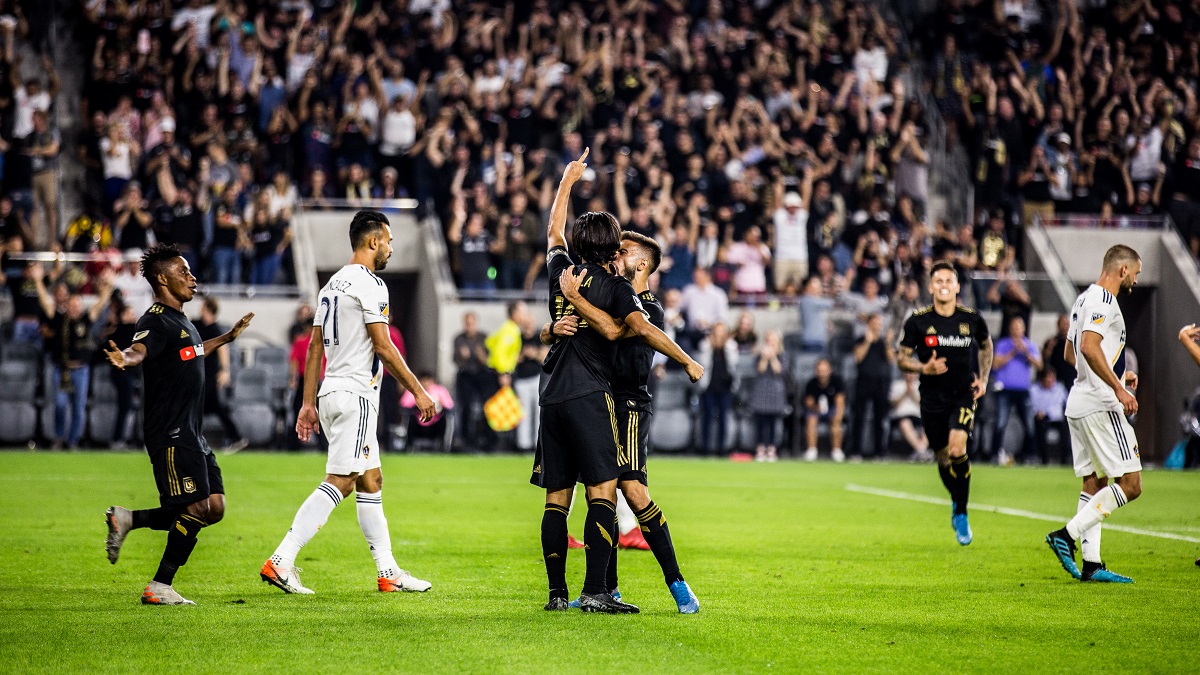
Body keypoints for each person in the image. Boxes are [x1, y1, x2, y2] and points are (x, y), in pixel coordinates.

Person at [531, 149, 701, 614]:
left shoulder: (561, 271)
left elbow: (552, 231)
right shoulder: (615, 289)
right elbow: (618, 330)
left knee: (559, 499)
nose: (624, 253)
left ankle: (558, 595)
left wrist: (567, 181)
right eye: (620, 246)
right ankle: (599, 591)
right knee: (605, 491)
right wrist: (689, 361)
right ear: (611, 251)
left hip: (554, 394)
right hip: (596, 396)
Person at [262, 210, 437, 595]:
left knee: (370, 480)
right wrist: (418, 391)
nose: (390, 247)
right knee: (340, 481)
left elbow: (313, 349)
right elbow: (384, 347)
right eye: (388, 241)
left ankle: (388, 571)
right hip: (356, 395)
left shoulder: (331, 285)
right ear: (373, 241)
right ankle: (281, 560)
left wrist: (308, 404)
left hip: (330, 392)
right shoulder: (371, 284)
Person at [102, 244, 254, 605]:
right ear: (162, 278)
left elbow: (193, 352)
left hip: (192, 433)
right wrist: (125, 358)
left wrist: (228, 338)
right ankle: (159, 586)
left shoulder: (182, 322)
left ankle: (127, 519)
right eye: (183, 272)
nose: (191, 277)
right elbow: (140, 350)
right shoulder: (155, 319)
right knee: (196, 508)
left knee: (213, 506)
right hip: (170, 432)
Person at [1045, 245, 1143, 584]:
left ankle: (1091, 564)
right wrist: (1117, 387)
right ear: (1122, 270)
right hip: (1101, 404)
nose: (1136, 279)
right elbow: (1087, 347)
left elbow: (1070, 355)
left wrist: (1117, 372)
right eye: (1136, 272)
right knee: (1131, 484)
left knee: (1094, 481)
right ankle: (1065, 535)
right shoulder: (1104, 300)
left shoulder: (1082, 299)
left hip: (1079, 401)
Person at [898, 261, 993, 546]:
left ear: (956, 286)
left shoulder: (971, 319)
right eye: (938, 281)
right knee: (942, 457)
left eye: (948, 281)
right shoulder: (917, 321)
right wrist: (923, 368)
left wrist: (984, 378)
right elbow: (901, 357)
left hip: (962, 395)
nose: (943, 285)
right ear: (930, 287)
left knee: (957, 449)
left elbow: (986, 346)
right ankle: (957, 500)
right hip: (931, 400)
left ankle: (962, 514)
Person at [32, 264, 115, 448]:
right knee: (60, 405)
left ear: (81, 306)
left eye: (78, 305)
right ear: (68, 305)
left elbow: (101, 303)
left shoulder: (86, 319)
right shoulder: (60, 319)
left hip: (81, 370)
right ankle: (59, 437)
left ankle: (73, 441)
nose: (75, 308)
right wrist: (38, 281)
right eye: (72, 305)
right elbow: (46, 302)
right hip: (61, 368)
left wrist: (108, 285)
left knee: (78, 409)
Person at [195, 297, 247, 453]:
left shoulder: (214, 329)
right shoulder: (197, 324)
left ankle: (191, 439)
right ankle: (236, 437)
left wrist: (225, 370)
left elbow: (223, 350)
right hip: (198, 372)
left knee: (196, 407)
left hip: (208, 374)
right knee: (215, 407)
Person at [990, 316, 1041, 465]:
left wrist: (1025, 352)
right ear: (1010, 329)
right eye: (1014, 327)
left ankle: (1030, 455)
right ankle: (995, 453)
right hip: (1004, 389)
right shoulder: (1003, 344)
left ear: (1024, 329)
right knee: (1000, 422)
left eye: (1019, 327)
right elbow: (995, 365)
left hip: (1022, 389)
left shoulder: (1030, 345)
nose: (1016, 330)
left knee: (1028, 423)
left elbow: (1039, 365)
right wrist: (1012, 352)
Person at [848, 314, 895, 460]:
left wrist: (887, 343)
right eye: (875, 322)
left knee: (880, 418)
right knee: (859, 417)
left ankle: (880, 452)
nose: (877, 325)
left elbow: (891, 359)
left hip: (881, 382)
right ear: (869, 324)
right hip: (864, 381)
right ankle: (856, 451)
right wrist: (867, 342)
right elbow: (858, 358)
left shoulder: (884, 342)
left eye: (879, 322)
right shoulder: (861, 340)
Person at [748, 330, 790, 463]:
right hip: (761, 390)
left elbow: (779, 371)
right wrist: (765, 358)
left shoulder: (783, 356)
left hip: (775, 392)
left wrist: (772, 357)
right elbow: (760, 370)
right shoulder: (760, 355)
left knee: (772, 423)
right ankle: (760, 449)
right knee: (760, 422)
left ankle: (771, 449)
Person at [452, 312, 491, 452]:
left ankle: (486, 441)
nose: (469, 326)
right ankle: (465, 441)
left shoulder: (484, 338)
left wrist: (482, 357)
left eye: (471, 323)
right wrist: (463, 357)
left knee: (487, 407)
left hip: (481, 376)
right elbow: (455, 360)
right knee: (465, 408)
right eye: (467, 323)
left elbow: (489, 361)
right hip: (466, 376)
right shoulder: (459, 338)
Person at [802, 358, 846, 462]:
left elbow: (840, 401)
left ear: (829, 370)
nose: (822, 374)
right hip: (816, 409)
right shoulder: (811, 383)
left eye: (824, 371)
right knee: (811, 419)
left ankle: (837, 451)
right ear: (816, 371)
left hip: (832, 408)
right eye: (820, 371)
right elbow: (808, 402)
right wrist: (816, 407)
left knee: (836, 421)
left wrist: (838, 416)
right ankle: (812, 450)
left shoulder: (837, 381)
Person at [1030, 368, 1069, 465]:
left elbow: (1066, 404)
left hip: (1057, 418)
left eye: (1052, 378)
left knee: (1066, 429)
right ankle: (1044, 460)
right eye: (1048, 378)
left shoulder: (1059, 388)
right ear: (1042, 379)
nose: (1050, 381)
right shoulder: (1034, 389)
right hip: (1041, 419)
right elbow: (1032, 406)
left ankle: (1065, 459)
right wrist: (1038, 413)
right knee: (1038, 427)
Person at [890, 371, 931, 461]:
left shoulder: (922, 385)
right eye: (908, 372)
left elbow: (924, 405)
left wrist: (912, 393)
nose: (910, 375)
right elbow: (893, 404)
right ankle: (922, 451)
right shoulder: (897, 385)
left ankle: (920, 451)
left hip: (918, 416)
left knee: (930, 424)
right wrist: (906, 392)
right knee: (905, 423)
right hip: (901, 416)